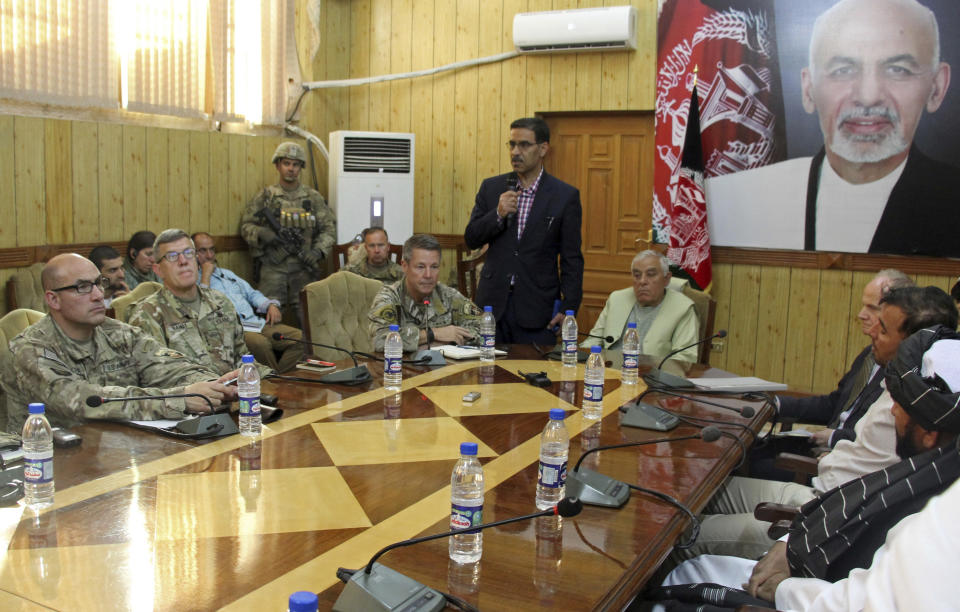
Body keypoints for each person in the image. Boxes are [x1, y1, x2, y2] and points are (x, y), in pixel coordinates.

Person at [650, 325, 960, 611]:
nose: (892, 410)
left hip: (812, 587)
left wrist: (785, 588)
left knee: (678, 555)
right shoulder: (935, 470)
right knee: (689, 506)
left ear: (929, 433)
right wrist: (790, 544)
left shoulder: (933, 516)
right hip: (811, 549)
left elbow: (860, 601)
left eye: (901, 406)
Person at [686, 285, 958, 561]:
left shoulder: (915, 413)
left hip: (824, 516)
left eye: (884, 329)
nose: (871, 331)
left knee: (686, 535)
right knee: (697, 489)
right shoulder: (896, 381)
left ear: (915, 342)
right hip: (818, 490)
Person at [706, 0, 959, 257]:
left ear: (937, 88)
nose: (868, 96)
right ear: (808, 90)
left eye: (898, 70)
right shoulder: (728, 202)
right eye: (843, 70)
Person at [1, 253, 235, 432]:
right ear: (53, 299)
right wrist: (178, 399)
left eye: (98, 283)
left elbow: (169, 367)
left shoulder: (118, 333)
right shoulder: (29, 349)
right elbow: (82, 401)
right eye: (83, 287)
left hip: (118, 449)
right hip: (46, 466)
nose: (97, 294)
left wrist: (215, 386)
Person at [750, 270, 913, 480]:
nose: (861, 314)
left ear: (897, 314)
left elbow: (880, 439)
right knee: (744, 450)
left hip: (841, 465)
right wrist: (774, 404)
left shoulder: (899, 368)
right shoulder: (870, 353)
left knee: (745, 465)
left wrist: (835, 438)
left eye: (872, 308)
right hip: (820, 445)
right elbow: (834, 404)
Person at [464, 117, 584, 344]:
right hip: (491, 308)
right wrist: (497, 214)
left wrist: (569, 309)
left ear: (543, 149)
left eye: (524, 145)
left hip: (537, 310)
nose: (515, 152)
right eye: (511, 144)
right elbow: (471, 238)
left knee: (533, 375)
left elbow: (572, 259)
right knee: (485, 376)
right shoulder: (492, 188)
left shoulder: (564, 196)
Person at [127, 229, 269, 378]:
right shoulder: (147, 314)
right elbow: (157, 376)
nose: (183, 261)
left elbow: (242, 357)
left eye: (188, 253)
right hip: (191, 398)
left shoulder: (220, 302)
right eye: (172, 256)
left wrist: (271, 377)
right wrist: (214, 387)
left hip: (236, 392)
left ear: (196, 261)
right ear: (158, 270)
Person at [240, 141, 336, 319]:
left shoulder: (313, 198)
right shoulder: (266, 197)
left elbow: (328, 229)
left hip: (303, 268)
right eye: (286, 163)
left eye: (296, 164)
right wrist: (262, 233)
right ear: (277, 165)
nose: (291, 169)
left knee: (310, 319)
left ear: (301, 168)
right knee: (267, 318)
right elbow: (246, 226)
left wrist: (317, 252)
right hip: (273, 267)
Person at [192, 232, 304, 373]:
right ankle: (275, 381)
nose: (209, 255)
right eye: (203, 250)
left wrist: (270, 305)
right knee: (260, 344)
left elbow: (252, 294)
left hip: (256, 323)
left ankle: (281, 377)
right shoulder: (193, 281)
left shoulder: (227, 274)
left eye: (212, 249)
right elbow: (201, 307)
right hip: (232, 329)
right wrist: (206, 276)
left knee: (300, 338)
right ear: (193, 253)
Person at [582, 250, 699, 367]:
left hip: (653, 378)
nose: (642, 281)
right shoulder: (617, 299)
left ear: (666, 278)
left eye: (651, 274)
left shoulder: (682, 308)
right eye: (637, 275)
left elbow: (684, 359)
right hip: (606, 373)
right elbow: (593, 341)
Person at [368, 234, 483, 352]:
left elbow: (485, 327)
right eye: (420, 267)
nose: (428, 275)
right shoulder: (389, 297)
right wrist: (432, 334)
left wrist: (448, 342)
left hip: (443, 369)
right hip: (400, 368)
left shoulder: (448, 296)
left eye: (434, 267)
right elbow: (380, 340)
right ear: (405, 266)